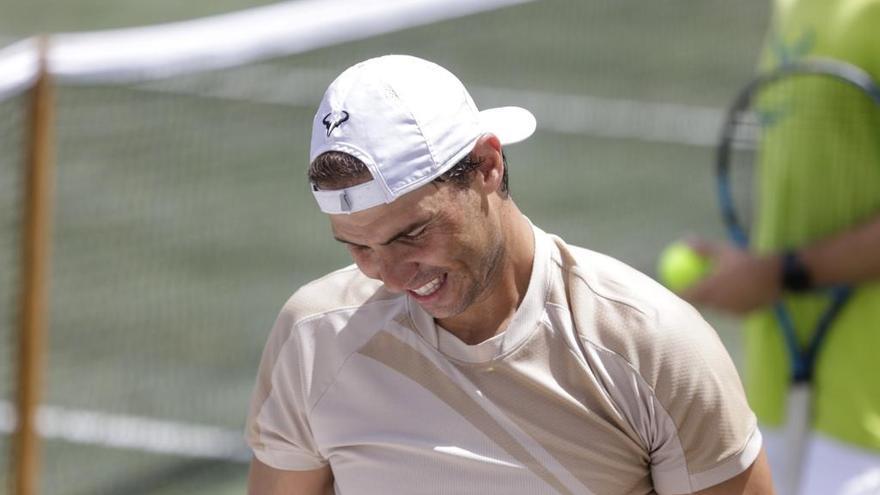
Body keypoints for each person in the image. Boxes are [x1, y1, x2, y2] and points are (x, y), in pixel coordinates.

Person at [244, 54, 773, 495]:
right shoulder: (312, 338)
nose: (391, 276)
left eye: (411, 235)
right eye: (358, 246)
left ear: (487, 166)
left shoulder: (654, 346)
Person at [682, 1, 880, 494]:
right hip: (774, 400)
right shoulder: (792, 6)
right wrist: (756, 272)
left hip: (868, 422)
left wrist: (775, 274)